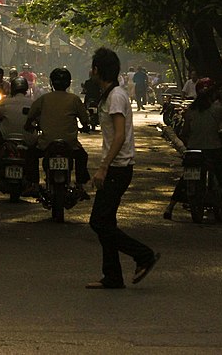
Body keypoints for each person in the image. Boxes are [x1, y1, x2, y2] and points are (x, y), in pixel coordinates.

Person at [86, 47, 159, 289]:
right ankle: (112, 276)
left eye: (93, 67)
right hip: (116, 167)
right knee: (106, 221)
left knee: (99, 222)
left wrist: (103, 167)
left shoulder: (116, 96)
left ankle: (143, 255)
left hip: (118, 168)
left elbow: (118, 136)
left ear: (97, 70)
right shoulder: (110, 94)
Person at [163, 78, 222, 223]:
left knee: (186, 178)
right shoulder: (217, 109)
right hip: (213, 150)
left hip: (193, 152)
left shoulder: (190, 110)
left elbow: (184, 132)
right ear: (213, 93)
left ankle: (169, 208)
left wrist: (190, 143)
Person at [24, 67, 91, 199]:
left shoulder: (43, 99)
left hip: (46, 143)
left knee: (30, 154)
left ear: (52, 83)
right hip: (70, 144)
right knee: (82, 156)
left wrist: (28, 125)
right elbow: (85, 120)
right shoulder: (74, 99)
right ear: (68, 83)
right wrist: (85, 127)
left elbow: (30, 116)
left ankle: (34, 185)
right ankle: (80, 186)